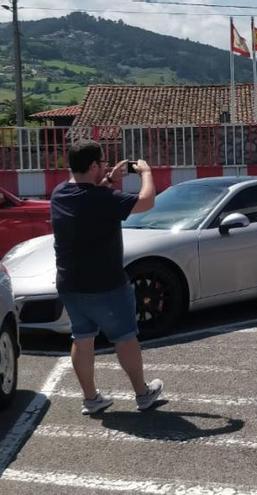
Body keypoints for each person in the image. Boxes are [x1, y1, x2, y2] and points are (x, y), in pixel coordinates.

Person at [51, 140, 164, 415]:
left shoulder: (59, 194)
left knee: (82, 338)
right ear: (92, 166)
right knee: (125, 337)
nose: (105, 167)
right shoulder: (106, 200)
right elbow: (146, 201)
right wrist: (145, 173)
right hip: (106, 285)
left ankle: (91, 399)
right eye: (101, 163)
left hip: (69, 283)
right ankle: (142, 393)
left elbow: (86, 194)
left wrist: (106, 180)